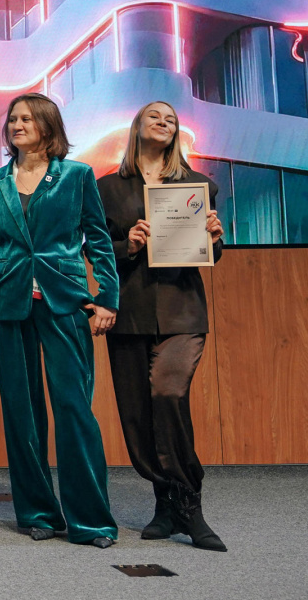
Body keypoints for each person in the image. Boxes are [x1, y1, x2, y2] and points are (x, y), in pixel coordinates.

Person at [0, 92, 119, 547]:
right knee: (22, 413)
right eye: (12, 119)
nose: (16, 125)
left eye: (27, 118)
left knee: (74, 409)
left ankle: (90, 521)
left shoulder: (77, 175)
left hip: (65, 301)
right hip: (9, 303)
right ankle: (38, 513)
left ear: (47, 125)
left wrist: (107, 297)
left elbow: (98, 239)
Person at [97, 101, 227, 551]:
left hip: (182, 310)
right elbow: (94, 250)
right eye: (154, 115)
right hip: (129, 312)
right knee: (138, 416)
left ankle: (190, 505)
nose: (164, 122)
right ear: (137, 126)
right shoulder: (106, 188)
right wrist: (127, 245)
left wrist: (215, 238)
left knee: (168, 395)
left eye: (171, 118)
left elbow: (212, 253)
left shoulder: (198, 185)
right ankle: (164, 506)